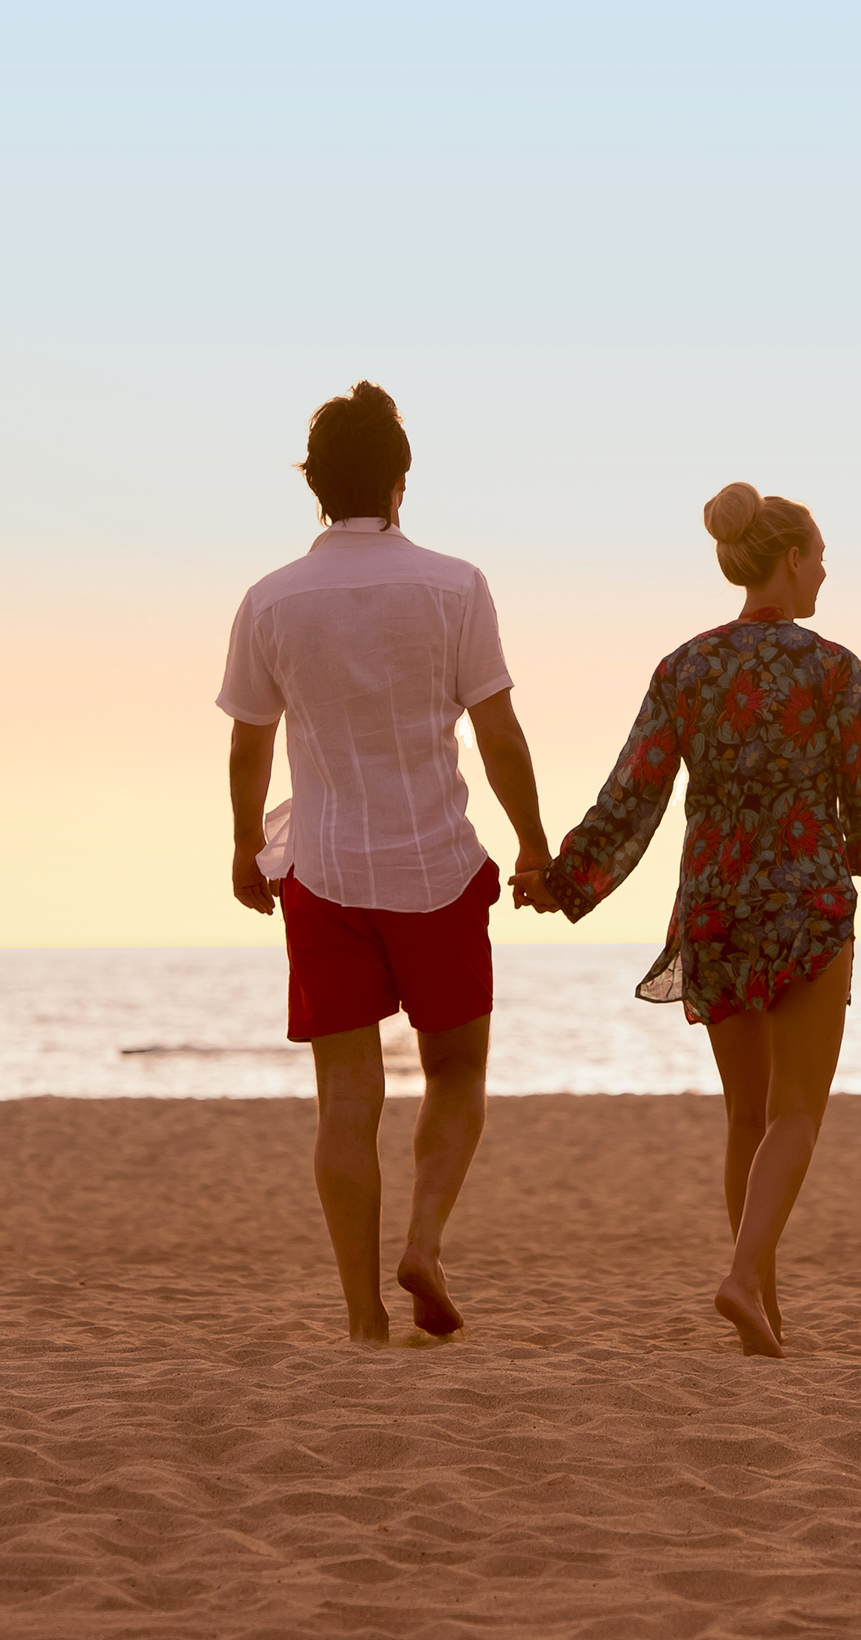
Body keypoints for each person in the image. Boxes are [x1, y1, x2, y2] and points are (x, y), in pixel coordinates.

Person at [519, 483, 861, 1358]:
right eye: (818, 555)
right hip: (804, 906)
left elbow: (635, 791)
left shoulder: (685, 666)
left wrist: (565, 879)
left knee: (747, 1118)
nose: (824, 572)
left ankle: (760, 1316)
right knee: (797, 1113)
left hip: (715, 910)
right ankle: (742, 1280)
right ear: (788, 558)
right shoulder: (831, 667)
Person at [219, 382, 553, 1345]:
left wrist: (245, 845)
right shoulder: (455, 586)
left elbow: (248, 744)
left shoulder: (270, 598)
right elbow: (499, 733)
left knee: (346, 1103)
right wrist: (533, 842)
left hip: (322, 872)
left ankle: (363, 1316)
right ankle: (425, 1240)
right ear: (401, 482)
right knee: (456, 1071)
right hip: (436, 867)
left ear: (315, 487)